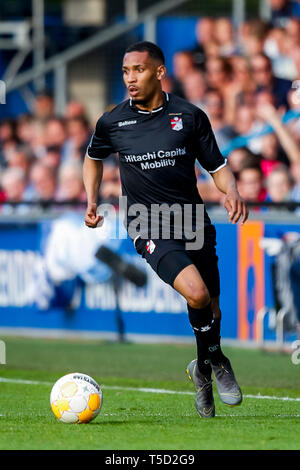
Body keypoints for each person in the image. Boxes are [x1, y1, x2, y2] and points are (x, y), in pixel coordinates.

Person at [82, 41, 248, 419]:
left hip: (192, 220)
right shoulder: (112, 121)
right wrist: (91, 200)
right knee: (197, 292)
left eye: (138, 70)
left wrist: (233, 189)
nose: (130, 79)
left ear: (159, 72)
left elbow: (216, 165)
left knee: (212, 311)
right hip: (147, 223)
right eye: (125, 71)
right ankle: (215, 362)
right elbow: (92, 159)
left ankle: (205, 368)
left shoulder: (189, 116)